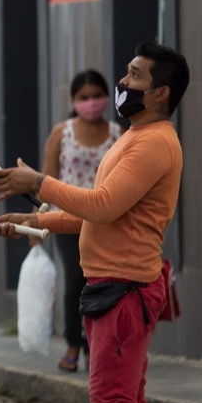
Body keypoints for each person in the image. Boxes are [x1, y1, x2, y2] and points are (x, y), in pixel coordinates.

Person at [0, 42, 188, 403]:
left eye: (135, 76)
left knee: (113, 402)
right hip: (117, 288)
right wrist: (33, 222)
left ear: (161, 93)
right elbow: (98, 214)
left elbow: (100, 206)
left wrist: (39, 183)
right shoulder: (134, 138)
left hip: (123, 292)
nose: (124, 83)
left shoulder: (152, 144)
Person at [41, 70, 123, 373]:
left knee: (101, 281)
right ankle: (74, 343)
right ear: (74, 101)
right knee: (76, 278)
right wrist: (38, 223)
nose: (91, 102)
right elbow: (46, 178)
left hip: (105, 220)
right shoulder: (61, 133)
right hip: (68, 219)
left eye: (96, 96)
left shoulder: (118, 134)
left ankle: (97, 348)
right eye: (84, 97)